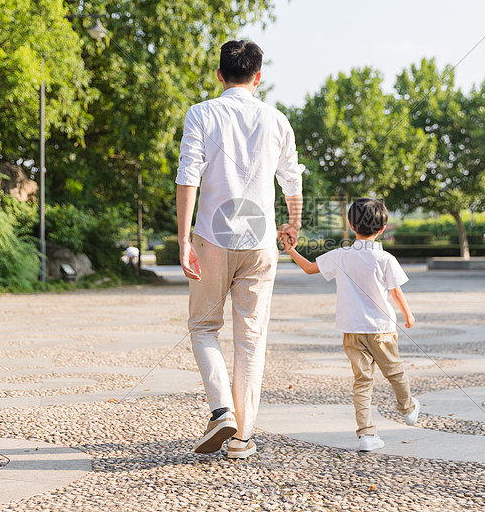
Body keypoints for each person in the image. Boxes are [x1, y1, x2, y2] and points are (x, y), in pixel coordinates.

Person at [175, 40, 304, 459]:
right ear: (258, 76)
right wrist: (294, 222)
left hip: (212, 237)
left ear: (219, 74)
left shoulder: (201, 113)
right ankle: (242, 438)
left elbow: (187, 177)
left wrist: (182, 238)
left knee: (203, 327)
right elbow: (291, 178)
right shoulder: (277, 119)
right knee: (251, 339)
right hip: (262, 240)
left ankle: (221, 410)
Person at [279, 198, 420, 451]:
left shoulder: (340, 255)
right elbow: (396, 293)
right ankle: (408, 409)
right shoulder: (385, 258)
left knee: (362, 381)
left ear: (351, 225)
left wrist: (290, 250)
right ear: (382, 229)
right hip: (382, 330)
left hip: (352, 331)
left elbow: (310, 268)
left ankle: (366, 434)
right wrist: (408, 315)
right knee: (395, 372)